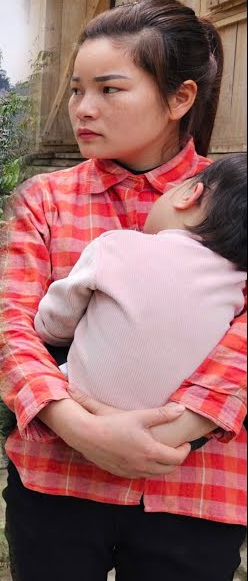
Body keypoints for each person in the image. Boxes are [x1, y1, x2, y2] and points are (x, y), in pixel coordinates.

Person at [0, 0, 246, 581]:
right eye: (77, 89)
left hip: (198, 491)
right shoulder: (43, 201)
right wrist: (81, 427)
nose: (83, 108)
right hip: (56, 481)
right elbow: (9, 330)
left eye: (109, 89)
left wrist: (173, 430)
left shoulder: (236, 200)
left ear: (179, 98)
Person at [34, 153, 246, 437]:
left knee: (51, 338)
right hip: (169, 425)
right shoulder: (236, 286)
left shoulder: (116, 245)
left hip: (79, 402)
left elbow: (55, 322)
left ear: (189, 195)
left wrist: (50, 330)